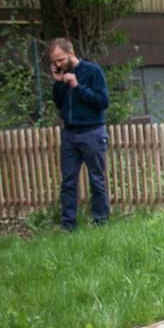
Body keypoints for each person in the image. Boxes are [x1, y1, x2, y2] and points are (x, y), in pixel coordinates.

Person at [46, 38, 110, 230]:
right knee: (68, 182)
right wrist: (59, 83)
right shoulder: (62, 76)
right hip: (70, 134)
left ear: (71, 53)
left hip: (92, 131)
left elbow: (102, 102)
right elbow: (59, 104)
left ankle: (100, 222)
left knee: (96, 179)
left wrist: (77, 86)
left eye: (60, 60)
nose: (58, 64)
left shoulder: (93, 71)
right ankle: (68, 225)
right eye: (54, 62)